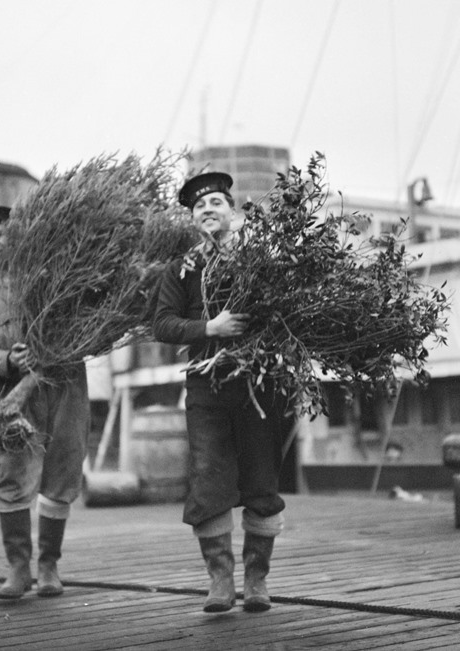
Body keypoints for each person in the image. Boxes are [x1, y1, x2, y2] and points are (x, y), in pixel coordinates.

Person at [152, 172, 291, 613]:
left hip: (258, 385)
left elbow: (288, 310)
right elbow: (162, 324)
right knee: (208, 478)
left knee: (261, 481)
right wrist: (207, 327)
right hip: (205, 387)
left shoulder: (260, 261)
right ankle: (219, 580)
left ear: (232, 211)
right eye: (199, 206)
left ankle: (256, 579)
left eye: (216, 202)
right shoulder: (181, 269)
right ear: (193, 219)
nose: (208, 209)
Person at [0, 205, 91, 598]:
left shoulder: (51, 272)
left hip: (66, 385)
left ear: (14, 234)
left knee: (62, 472)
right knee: (12, 473)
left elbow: (86, 313)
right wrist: (8, 361)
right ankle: (19, 568)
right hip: (15, 396)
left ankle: (48, 565)